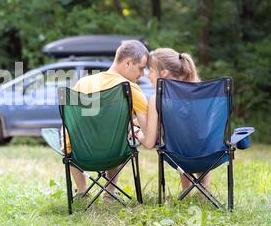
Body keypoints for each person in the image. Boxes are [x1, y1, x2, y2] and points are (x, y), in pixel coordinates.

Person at [62, 40, 149, 200]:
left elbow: (71, 129)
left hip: (80, 155)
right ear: (128, 62)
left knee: (65, 135)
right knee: (122, 135)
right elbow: (148, 134)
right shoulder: (130, 88)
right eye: (141, 67)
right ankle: (110, 191)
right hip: (115, 153)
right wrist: (134, 129)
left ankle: (82, 191)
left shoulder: (82, 83)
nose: (143, 74)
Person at [133, 47, 210, 192]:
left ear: (164, 73)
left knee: (180, 143)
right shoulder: (203, 96)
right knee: (193, 138)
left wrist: (136, 132)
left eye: (151, 70)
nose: (148, 76)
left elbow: (149, 142)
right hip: (210, 154)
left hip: (179, 157)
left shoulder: (158, 99)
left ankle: (186, 191)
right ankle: (204, 190)